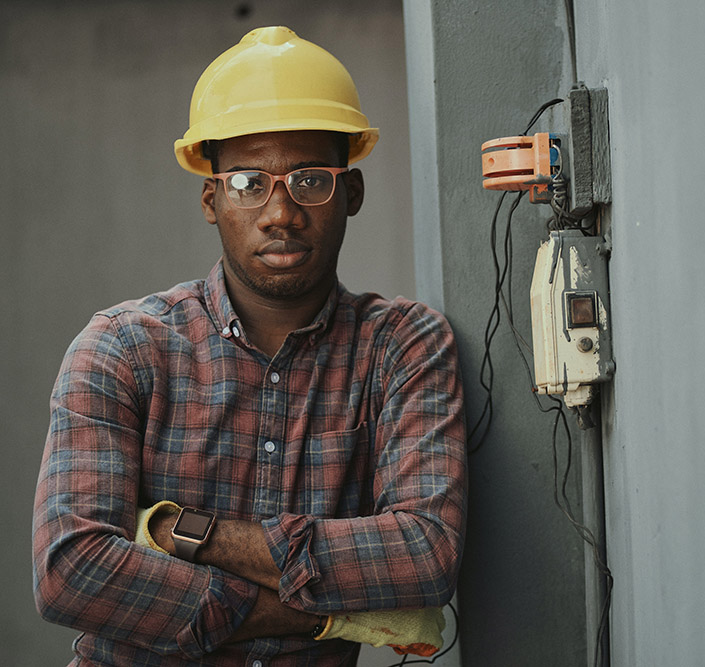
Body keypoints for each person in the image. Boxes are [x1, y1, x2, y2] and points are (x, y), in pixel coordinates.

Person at [32, 26, 466, 666]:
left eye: (310, 180)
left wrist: (190, 535)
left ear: (352, 193)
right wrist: (326, 615)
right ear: (212, 199)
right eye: (247, 183)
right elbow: (71, 571)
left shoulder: (403, 347)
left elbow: (426, 555)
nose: (281, 212)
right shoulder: (122, 348)